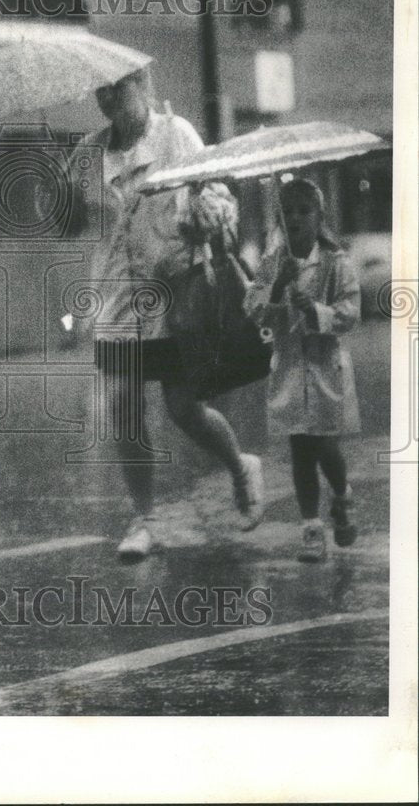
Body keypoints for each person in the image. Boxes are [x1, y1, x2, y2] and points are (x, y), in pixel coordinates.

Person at [68, 68, 264, 559]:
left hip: (171, 291)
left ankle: (241, 466)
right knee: (123, 405)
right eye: (101, 89)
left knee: (183, 408)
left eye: (119, 87)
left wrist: (207, 213)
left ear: (145, 86)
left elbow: (219, 197)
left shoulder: (176, 134)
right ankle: (145, 519)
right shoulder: (89, 152)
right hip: (116, 294)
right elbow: (81, 220)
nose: (109, 97)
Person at [244, 178, 361, 562]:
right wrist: (277, 288)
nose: (294, 217)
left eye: (303, 210)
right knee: (300, 448)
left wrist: (314, 309)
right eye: (287, 210)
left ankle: (342, 495)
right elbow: (256, 311)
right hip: (290, 368)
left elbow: (350, 312)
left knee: (325, 444)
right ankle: (311, 526)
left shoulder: (335, 262)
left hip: (325, 367)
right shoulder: (271, 263)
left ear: (319, 216)